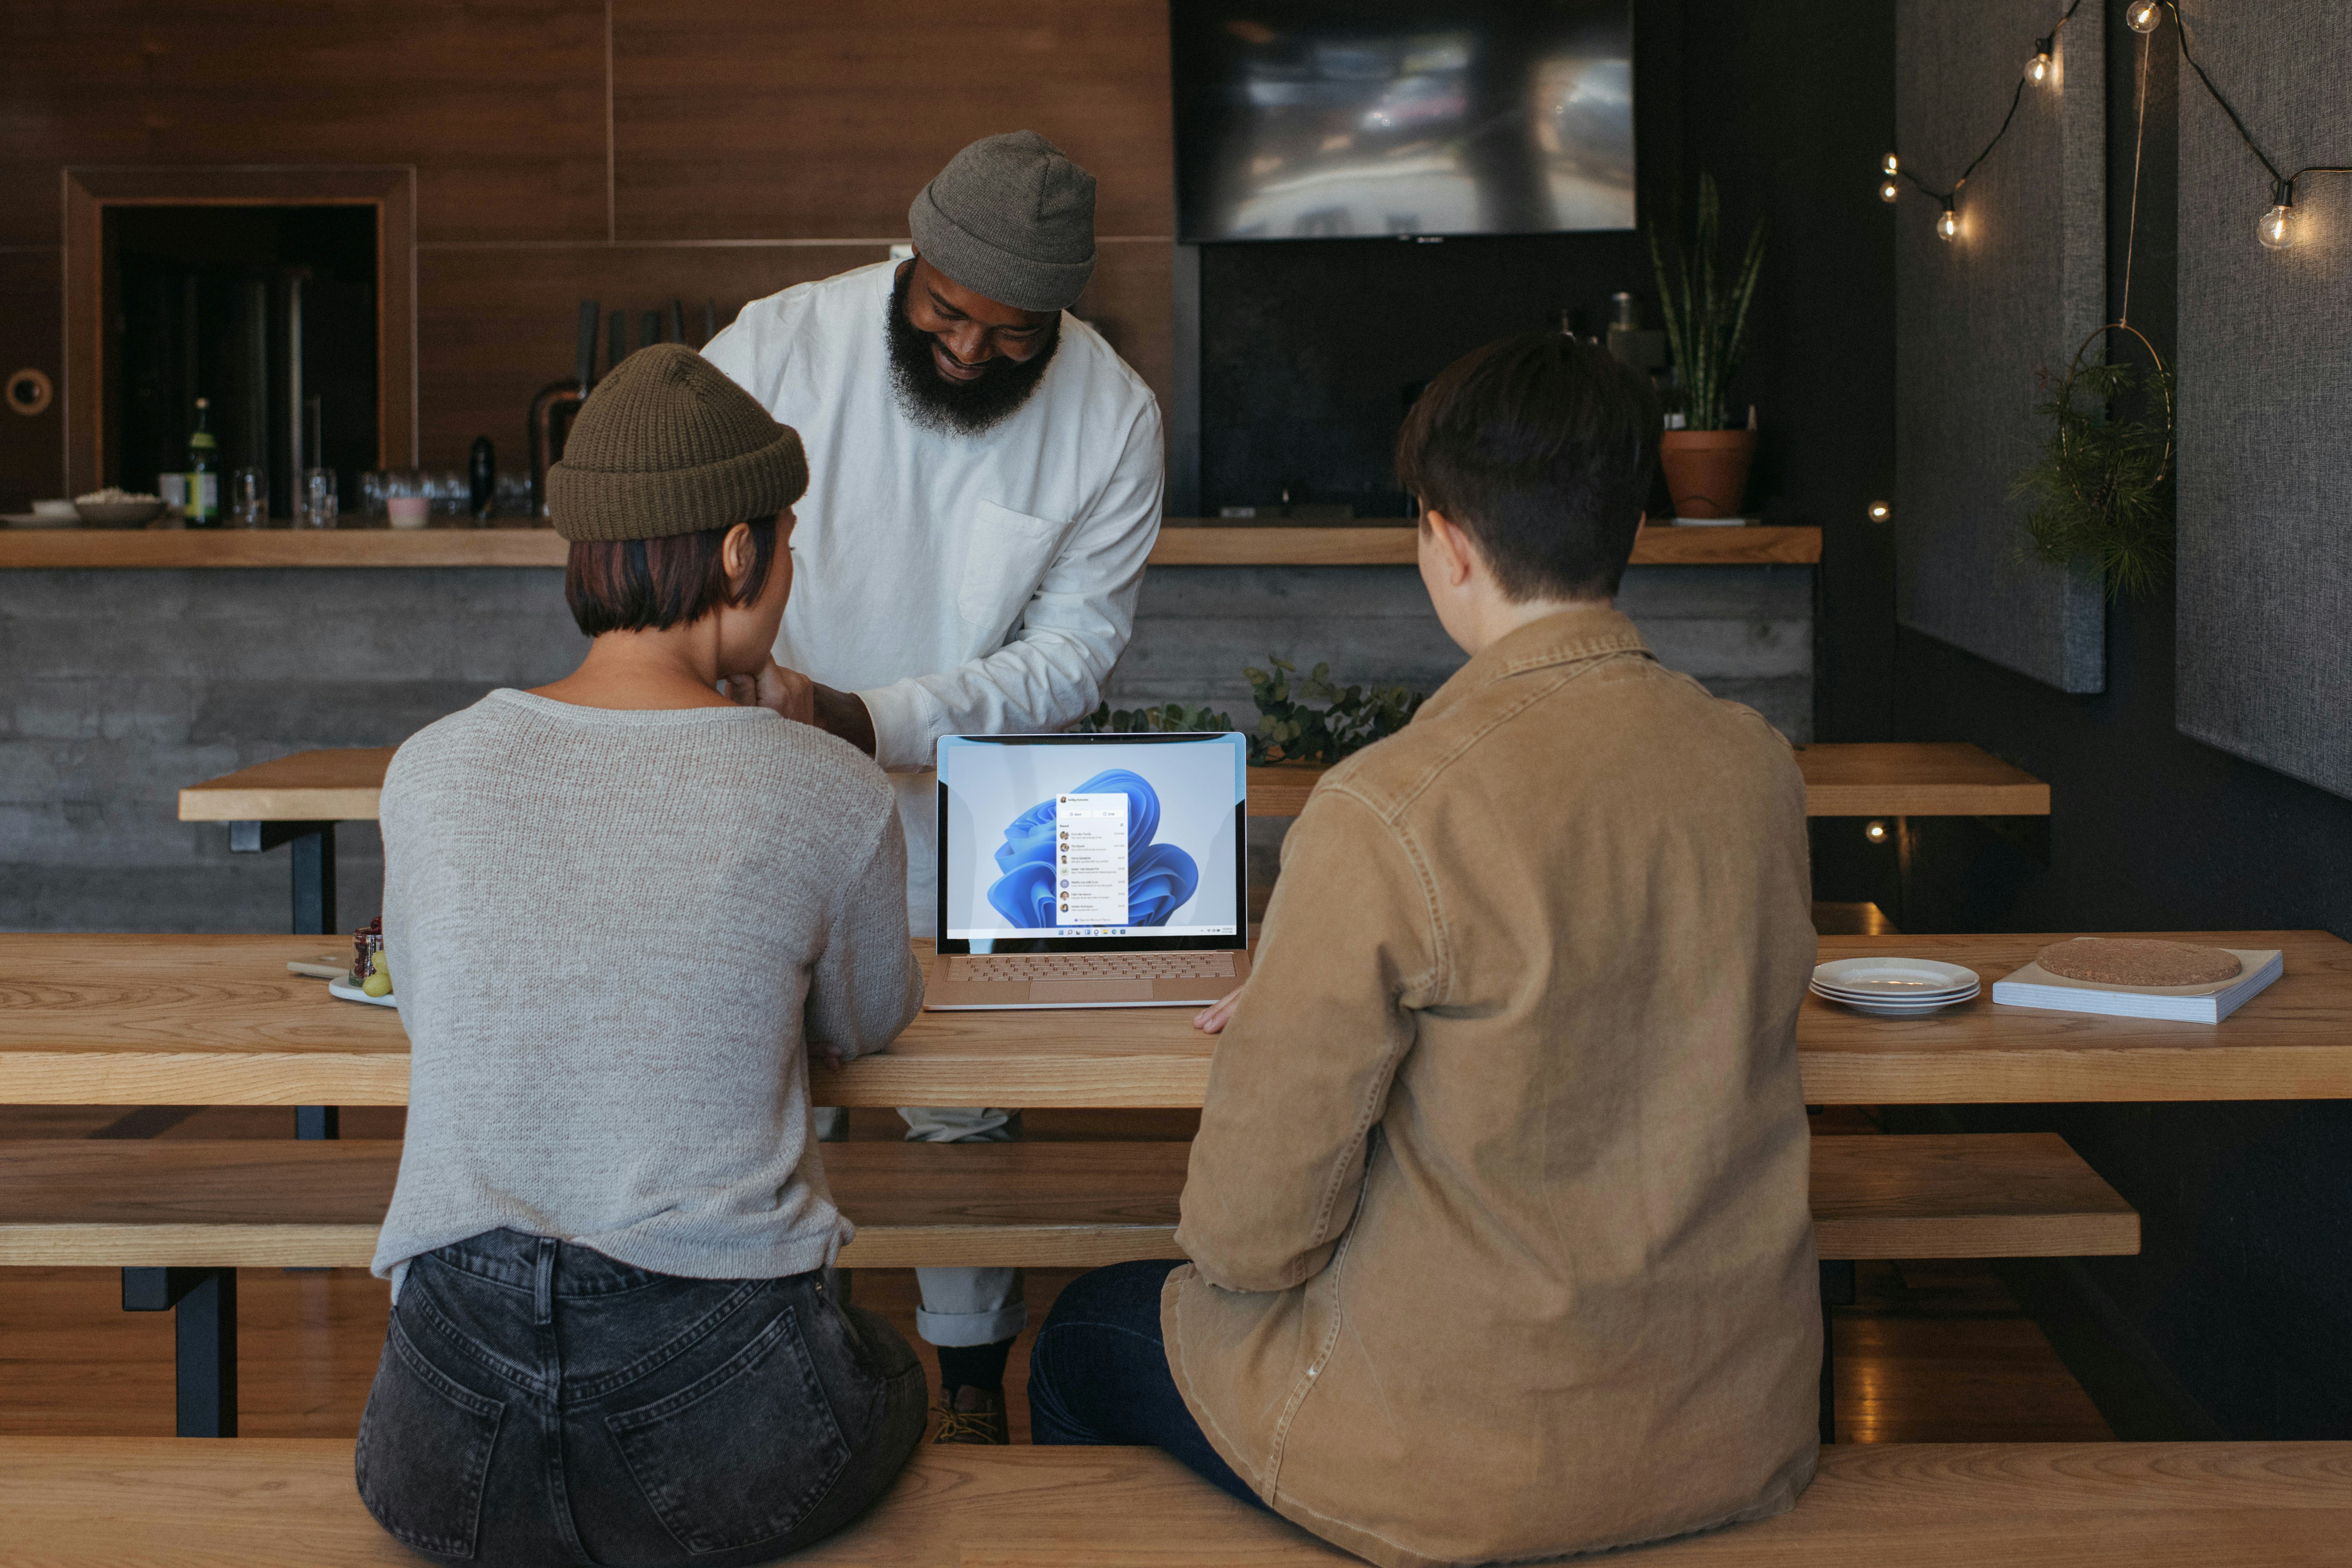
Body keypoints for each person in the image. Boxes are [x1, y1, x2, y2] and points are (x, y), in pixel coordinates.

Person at [1027, 333, 1821, 1567]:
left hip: (1466, 1470)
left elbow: (1250, 1237)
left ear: (1445, 540)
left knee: (1084, 1336)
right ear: (1632, 527)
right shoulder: (1756, 767)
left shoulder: (1391, 806)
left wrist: (1304, 1010)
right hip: (1731, 1423)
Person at [356, 344, 928, 1566]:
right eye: (786, 539)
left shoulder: (430, 768)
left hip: (442, 1436)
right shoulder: (827, 785)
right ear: (739, 553)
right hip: (723, 1423)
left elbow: (437, 1010)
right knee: (897, 1374)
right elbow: (870, 1020)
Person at [701, 129, 1163, 1443]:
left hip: (961, 812)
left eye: (1011, 337)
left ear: (1062, 316)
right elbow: (671, 536)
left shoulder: (1114, 416)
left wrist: (865, 715)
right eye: (946, 313)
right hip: (753, 790)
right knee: (760, 1089)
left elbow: (1071, 657)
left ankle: (969, 1387)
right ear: (911, 257)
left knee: (961, 1114)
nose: (968, 350)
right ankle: (774, 1374)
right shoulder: (778, 345)